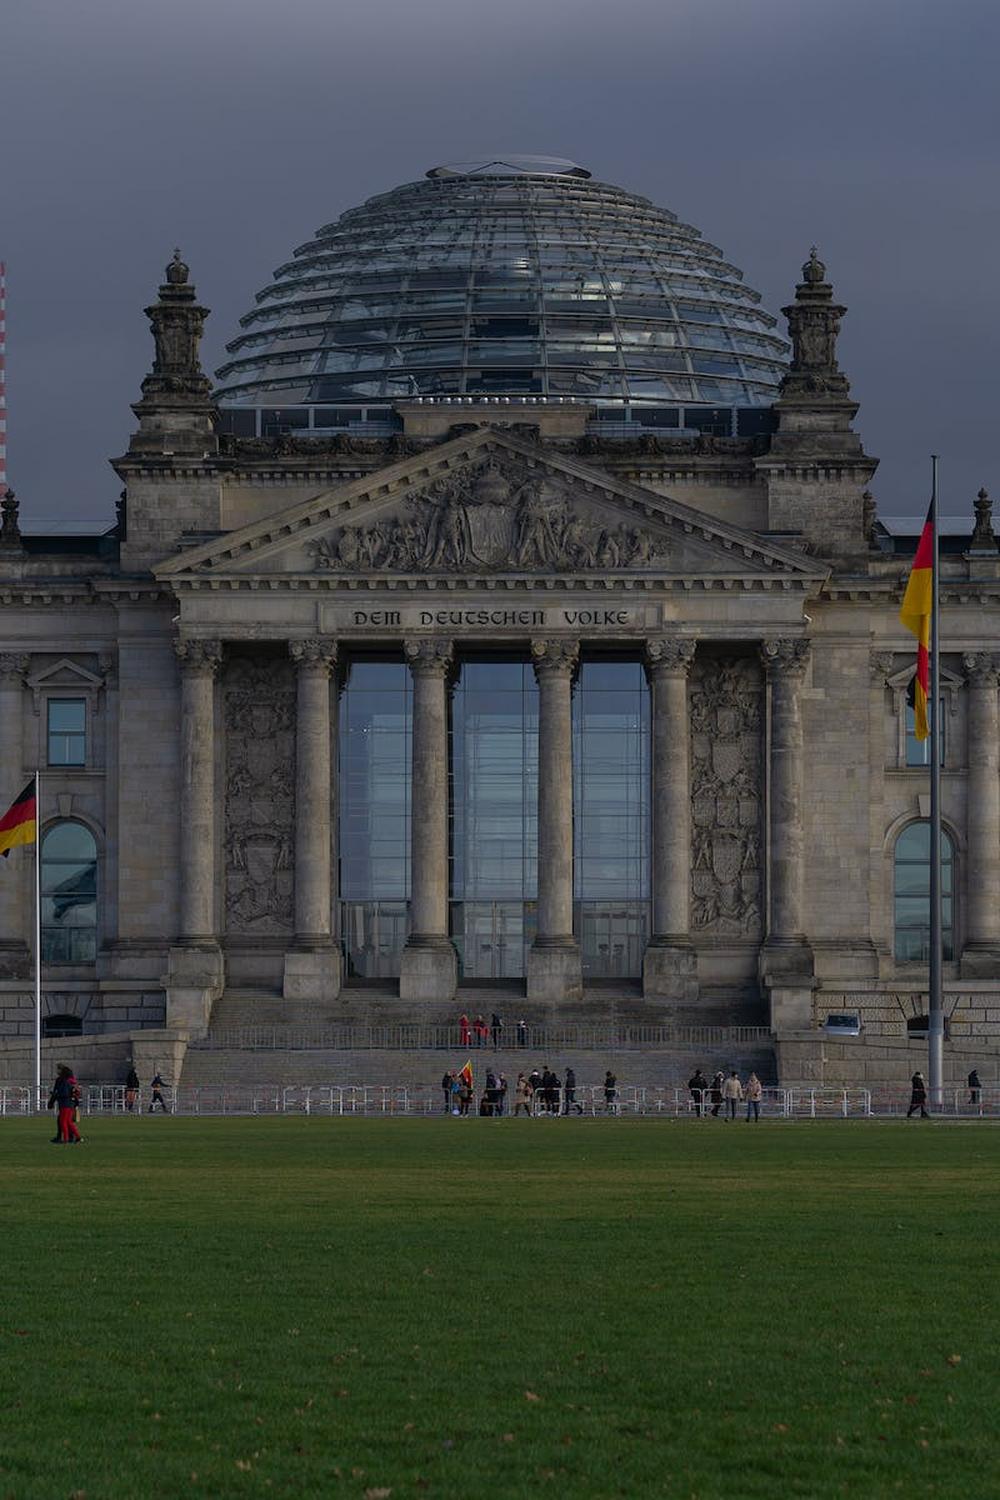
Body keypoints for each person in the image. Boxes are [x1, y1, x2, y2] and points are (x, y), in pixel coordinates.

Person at [47, 1064, 82, 1144]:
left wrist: (55, 1096)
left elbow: (63, 1093)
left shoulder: (63, 1081)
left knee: (63, 1122)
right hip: (70, 1104)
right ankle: (76, 1137)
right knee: (68, 1122)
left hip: (65, 1104)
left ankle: (66, 1138)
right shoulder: (71, 1081)